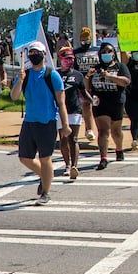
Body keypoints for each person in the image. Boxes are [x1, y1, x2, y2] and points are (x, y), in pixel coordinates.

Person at [9, 42, 70, 204]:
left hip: (47, 122)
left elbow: (61, 102)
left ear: (44, 55)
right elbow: (14, 97)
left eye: (37, 52)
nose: (34, 55)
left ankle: (46, 192)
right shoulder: (25, 75)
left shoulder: (52, 75)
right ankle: (45, 176)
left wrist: (65, 125)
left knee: (45, 158)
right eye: (32, 52)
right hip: (29, 122)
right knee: (24, 157)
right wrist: (20, 81)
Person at [88, 41, 131, 168]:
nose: (106, 54)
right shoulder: (95, 68)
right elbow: (87, 87)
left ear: (113, 53)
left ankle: (119, 149)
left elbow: (126, 82)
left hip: (116, 102)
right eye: (103, 52)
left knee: (116, 131)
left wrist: (109, 76)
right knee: (103, 130)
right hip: (100, 102)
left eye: (109, 51)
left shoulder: (120, 67)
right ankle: (103, 158)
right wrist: (87, 76)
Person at [56, 46, 92, 181]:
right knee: (63, 138)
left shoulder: (77, 75)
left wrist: (91, 100)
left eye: (71, 59)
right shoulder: (55, 74)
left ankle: (74, 166)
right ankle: (66, 164)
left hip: (75, 110)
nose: (69, 61)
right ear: (60, 59)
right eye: (66, 59)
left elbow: (83, 92)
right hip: (59, 111)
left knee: (74, 139)